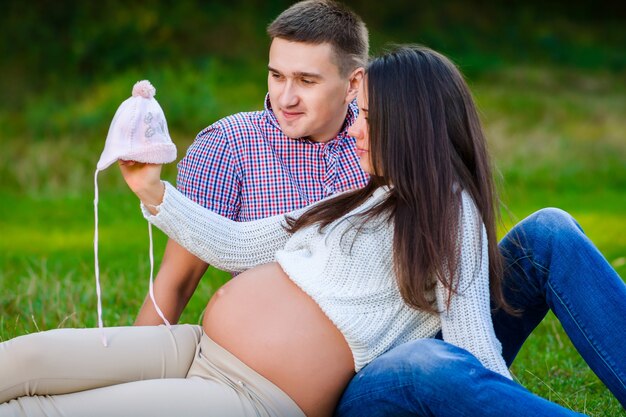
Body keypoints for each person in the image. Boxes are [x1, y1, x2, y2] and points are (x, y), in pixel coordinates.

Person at [0, 44, 571, 417]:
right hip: (194, 347)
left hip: (247, 396)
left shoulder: (451, 218)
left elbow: (474, 350)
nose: (354, 131)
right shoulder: (363, 196)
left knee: (46, 411)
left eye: (366, 116)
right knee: (19, 364)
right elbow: (235, 243)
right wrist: (151, 189)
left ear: (411, 125)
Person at [133, 0, 369, 327]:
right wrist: (135, 360)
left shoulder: (382, 144)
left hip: (370, 353)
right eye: (276, 76)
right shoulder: (229, 144)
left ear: (353, 84)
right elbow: (177, 281)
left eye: (306, 81)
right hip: (266, 352)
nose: (285, 98)